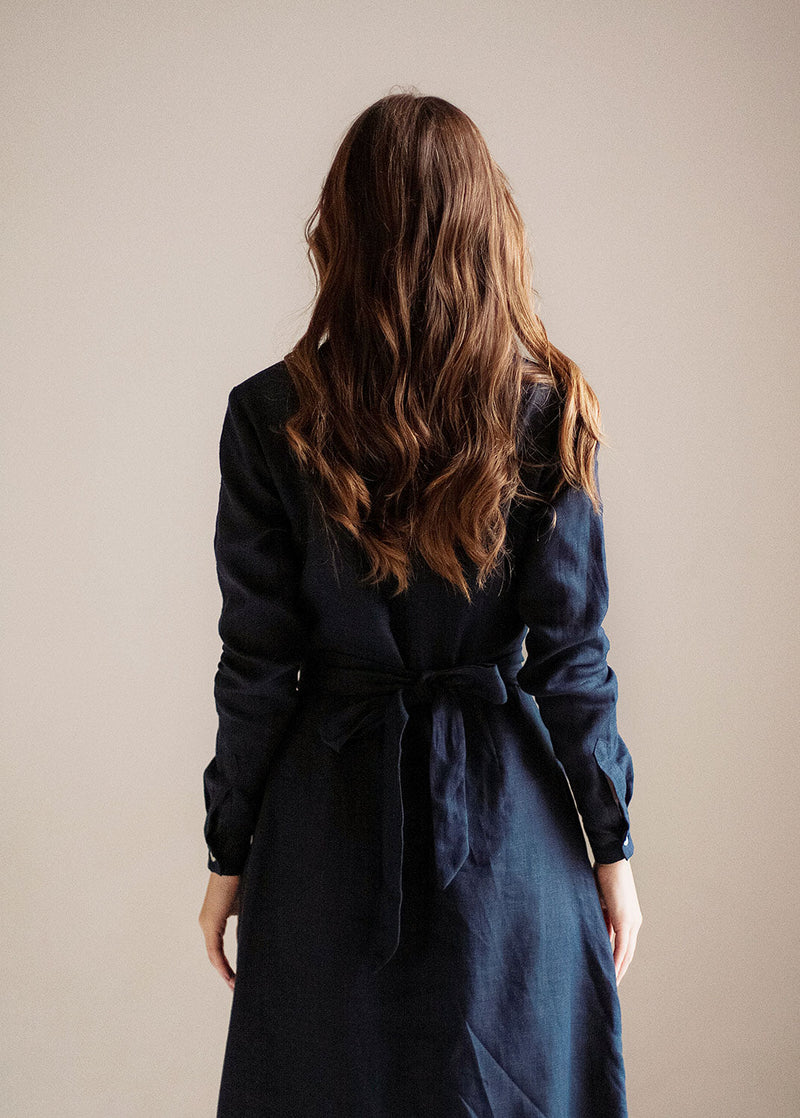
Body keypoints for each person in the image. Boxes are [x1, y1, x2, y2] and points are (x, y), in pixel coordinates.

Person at [198, 90, 642, 1118]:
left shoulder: (268, 415)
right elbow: (571, 661)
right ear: (488, 229)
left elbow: (256, 666)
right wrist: (611, 850)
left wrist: (229, 855)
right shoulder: (547, 411)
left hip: (325, 837)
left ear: (340, 232)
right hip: (510, 839)